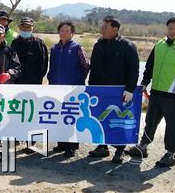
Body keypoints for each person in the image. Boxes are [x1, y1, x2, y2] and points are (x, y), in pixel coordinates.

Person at [126, 17, 175, 167]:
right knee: (150, 121)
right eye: (170, 28)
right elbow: (150, 65)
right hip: (157, 91)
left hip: (174, 95)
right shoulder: (159, 44)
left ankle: (170, 154)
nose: (172, 31)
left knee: (172, 125)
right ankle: (143, 147)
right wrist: (145, 82)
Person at [87, 16, 139, 164]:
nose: (102, 30)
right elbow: (94, 68)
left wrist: (130, 89)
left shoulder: (127, 46)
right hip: (101, 90)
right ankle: (102, 146)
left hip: (119, 91)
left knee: (118, 120)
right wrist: (91, 87)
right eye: (102, 27)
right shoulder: (99, 45)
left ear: (115, 29)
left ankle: (120, 150)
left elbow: (133, 70)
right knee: (101, 118)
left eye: (105, 27)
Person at [47, 21, 90, 158]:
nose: (64, 32)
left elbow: (86, 65)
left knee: (71, 117)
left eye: (67, 30)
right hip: (56, 88)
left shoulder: (77, 47)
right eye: (62, 30)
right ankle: (61, 143)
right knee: (59, 117)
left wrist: (79, 80)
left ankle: (71, 146)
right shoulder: (54, 48)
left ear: (72, 33)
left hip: (73, 90)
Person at [11, 17, 48, 84]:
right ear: (19, 28)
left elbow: (44, 65)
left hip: (34, 82)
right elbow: (11, 62)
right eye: (23, 27)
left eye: (28, 27)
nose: (25, 29)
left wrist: (37, 78)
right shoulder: (15, 43)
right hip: (17, 81)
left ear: (32, 28)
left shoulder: (39, 44)